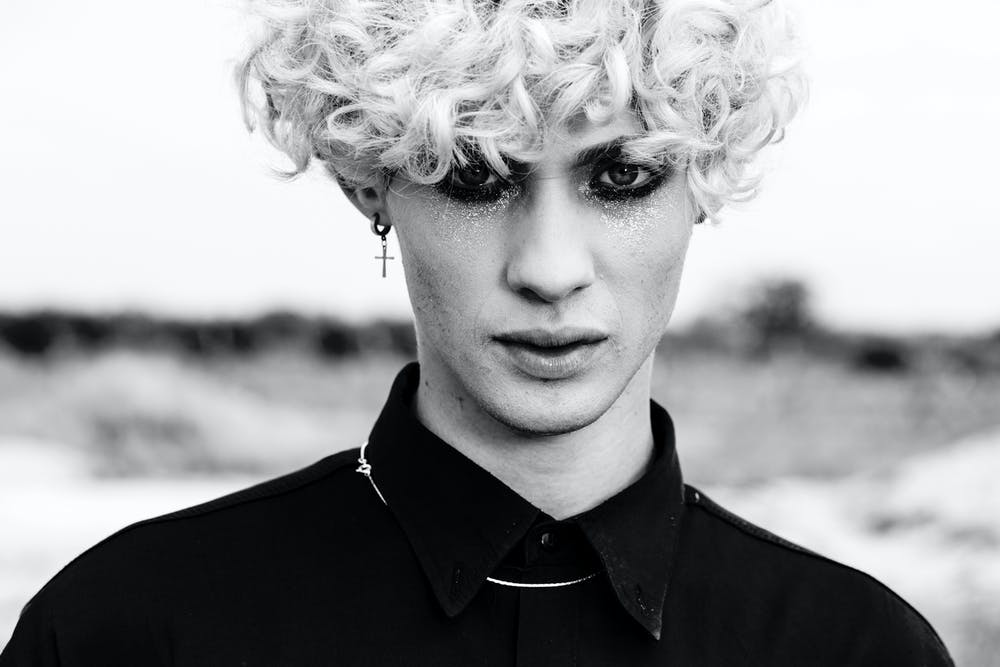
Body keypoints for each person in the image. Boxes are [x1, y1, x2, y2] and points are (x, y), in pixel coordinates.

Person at [1, 0, 954, 664]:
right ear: (370, 183)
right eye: (474, 176)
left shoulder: (858, 647)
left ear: (699, 180)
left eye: (621, 177)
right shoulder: (128, 630)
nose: (549, 268)